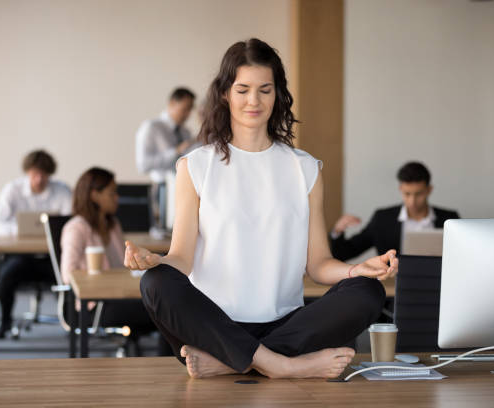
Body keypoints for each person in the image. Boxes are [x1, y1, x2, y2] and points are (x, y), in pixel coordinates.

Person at [124, 38, 398, 379]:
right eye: (243, 90)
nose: (253, 100)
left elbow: (318, 265)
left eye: (265, 90)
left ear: (278, 94)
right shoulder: (195, 166)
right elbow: (181, 258)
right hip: (214, 325)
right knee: (155, 283)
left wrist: (357, 270)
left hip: (283, 325)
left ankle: (235, 362)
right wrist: (156, 261)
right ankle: (282, 366)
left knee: (368, 291)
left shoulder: (305, 168)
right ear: (225, 93)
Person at [60, 167, 154, 345]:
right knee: (161, 309)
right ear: (95, 195)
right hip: (95, 306)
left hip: (119, 295)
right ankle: (164, 361)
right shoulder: (76, 228)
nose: (117, 198)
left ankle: (164, 360)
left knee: (164, 304)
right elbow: (68, 275)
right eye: (112, 193)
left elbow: (122, 265)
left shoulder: (113, 224)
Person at [0, 149, 72, 339]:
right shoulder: (12, 190)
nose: (39, 179)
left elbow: (72, 224)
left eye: (44, 174)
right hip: (21, 257)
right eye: (35, 174)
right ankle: (5, 321)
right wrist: (19, 231)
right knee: (6, 278)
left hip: (52, 258)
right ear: (27, 172)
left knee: (70, 277)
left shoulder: (62, 191)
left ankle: (71, 324)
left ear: (50, 174)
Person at [329, 162, 460, 261]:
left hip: (439, 285)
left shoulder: (449, 219)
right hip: (393, 287)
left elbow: (462, 256)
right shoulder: (382, 219)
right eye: (407, 194)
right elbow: (344, 254)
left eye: (418, 194)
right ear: (400, 189)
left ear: (429, 190)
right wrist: (337, 231)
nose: (412, 201)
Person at [135, 87, 197, 233]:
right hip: (161, 190)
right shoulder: (151, 127)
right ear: (172, 103)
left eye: (190, 110)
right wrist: (176, 151)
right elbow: (143, 165)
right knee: (164, 236)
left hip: (185, 189)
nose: (187, 114)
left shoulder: (185, 132)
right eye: (185, 108)